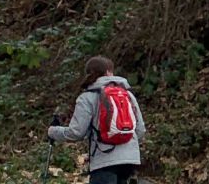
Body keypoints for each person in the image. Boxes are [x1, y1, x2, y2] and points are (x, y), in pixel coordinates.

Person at [48, 56, 145, 184]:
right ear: (108, 72)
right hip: (130, 161)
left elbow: (76, 132)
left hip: (104, 161)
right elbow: (140, 130)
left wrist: (53, 131)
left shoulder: (87, 97)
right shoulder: (127, 94)